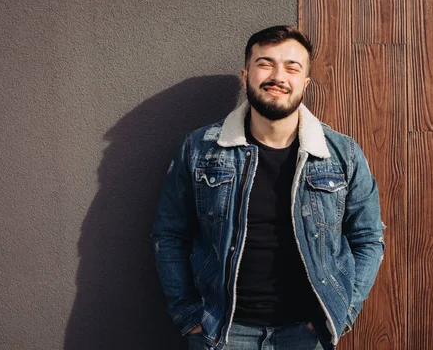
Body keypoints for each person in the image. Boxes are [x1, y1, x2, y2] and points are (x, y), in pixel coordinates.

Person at [151, 25, 385, 350]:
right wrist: (190, 318)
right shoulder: (200, 149)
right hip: (221, 333)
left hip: (306, 335)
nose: (278, 76)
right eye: (266, 63)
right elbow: (169, 235)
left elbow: (368, 238)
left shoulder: (341, 154)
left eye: (292, 67)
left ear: (304, 83)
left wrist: (340, 313)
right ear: (245, 74)